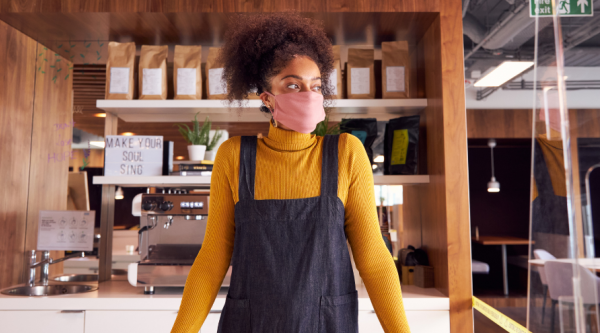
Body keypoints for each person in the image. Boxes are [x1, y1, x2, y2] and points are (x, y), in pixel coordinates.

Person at [171, 12, 411, 333]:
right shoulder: (234, 156)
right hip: (252, 323)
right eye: (293, 85)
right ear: (267, 98)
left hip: (327, 323)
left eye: (315, 86)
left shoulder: (346, 153)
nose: (308, 95)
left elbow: (374, 259)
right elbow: (212, 259)